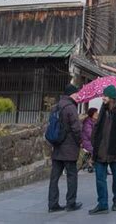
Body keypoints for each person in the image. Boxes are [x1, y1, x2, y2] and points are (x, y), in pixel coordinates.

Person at [89, 85, 116, 215]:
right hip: (100, 150)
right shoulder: (103, 109)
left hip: (115, 148)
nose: (103, 98)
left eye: (105, 96)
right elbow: (97, 127)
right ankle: (102, 204)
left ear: (112, 97)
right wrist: (94, 142)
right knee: (100, 178)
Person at [47, 84, 83, 213]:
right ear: (72, 94)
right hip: (69, 148)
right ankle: (71, 203)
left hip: (57, 147)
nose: (78, 96)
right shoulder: (70, 107)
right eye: (77, 93)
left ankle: (52, 204)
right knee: (71, 175)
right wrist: (81, 142)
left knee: (54, 177)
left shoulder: (55, 107)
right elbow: (76, 128)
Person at [81, 107, 98, 171]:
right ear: (92, 114)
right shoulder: (87, 123)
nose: (97, 114)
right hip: (87, 142)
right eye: (96, 113)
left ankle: (92, 162)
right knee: (96, 150)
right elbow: (90, 135)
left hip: (92, 141)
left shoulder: (94, 121)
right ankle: (90, 162)